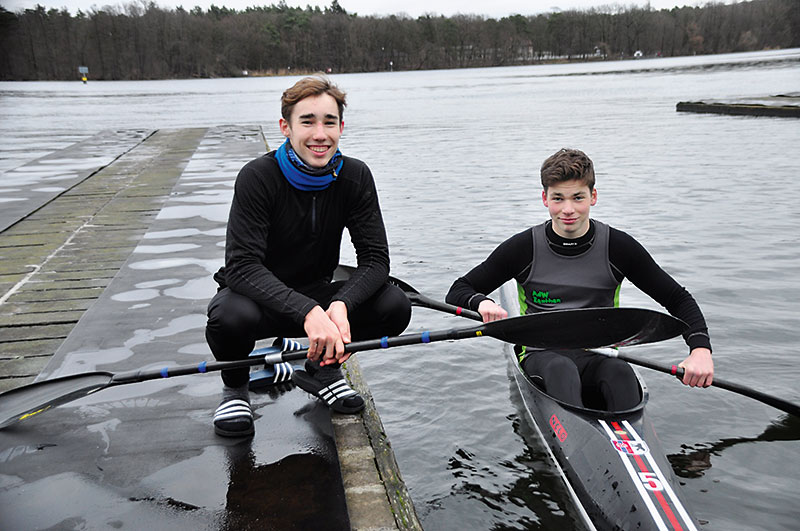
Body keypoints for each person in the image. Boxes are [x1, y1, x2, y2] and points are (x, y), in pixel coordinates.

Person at [206, 75, 411, 437]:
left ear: (341, 127)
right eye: (308, 121)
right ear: (285, 127)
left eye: (329, 122)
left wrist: (341, 305)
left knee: (394, 305)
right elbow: (242, 267)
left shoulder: (355, 177)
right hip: (258, 300)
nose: (320, 134)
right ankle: (235, 388)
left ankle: (322, 369)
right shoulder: (257, 177)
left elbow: (376, 260)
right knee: (229, 316)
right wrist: (309, 313)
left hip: (318, 292)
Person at [445, 148, 713, 411]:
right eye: (558, 198)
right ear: (544, 198)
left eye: (578, 197)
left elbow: (678, 299)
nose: (568, 209)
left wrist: (700, 349)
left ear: (593, 196)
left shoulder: (618, 247)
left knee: (619, 374)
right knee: (561, 370)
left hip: (601, 353)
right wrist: (481, 302)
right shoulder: (523, 248)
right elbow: (459, 290)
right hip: (542, 354)